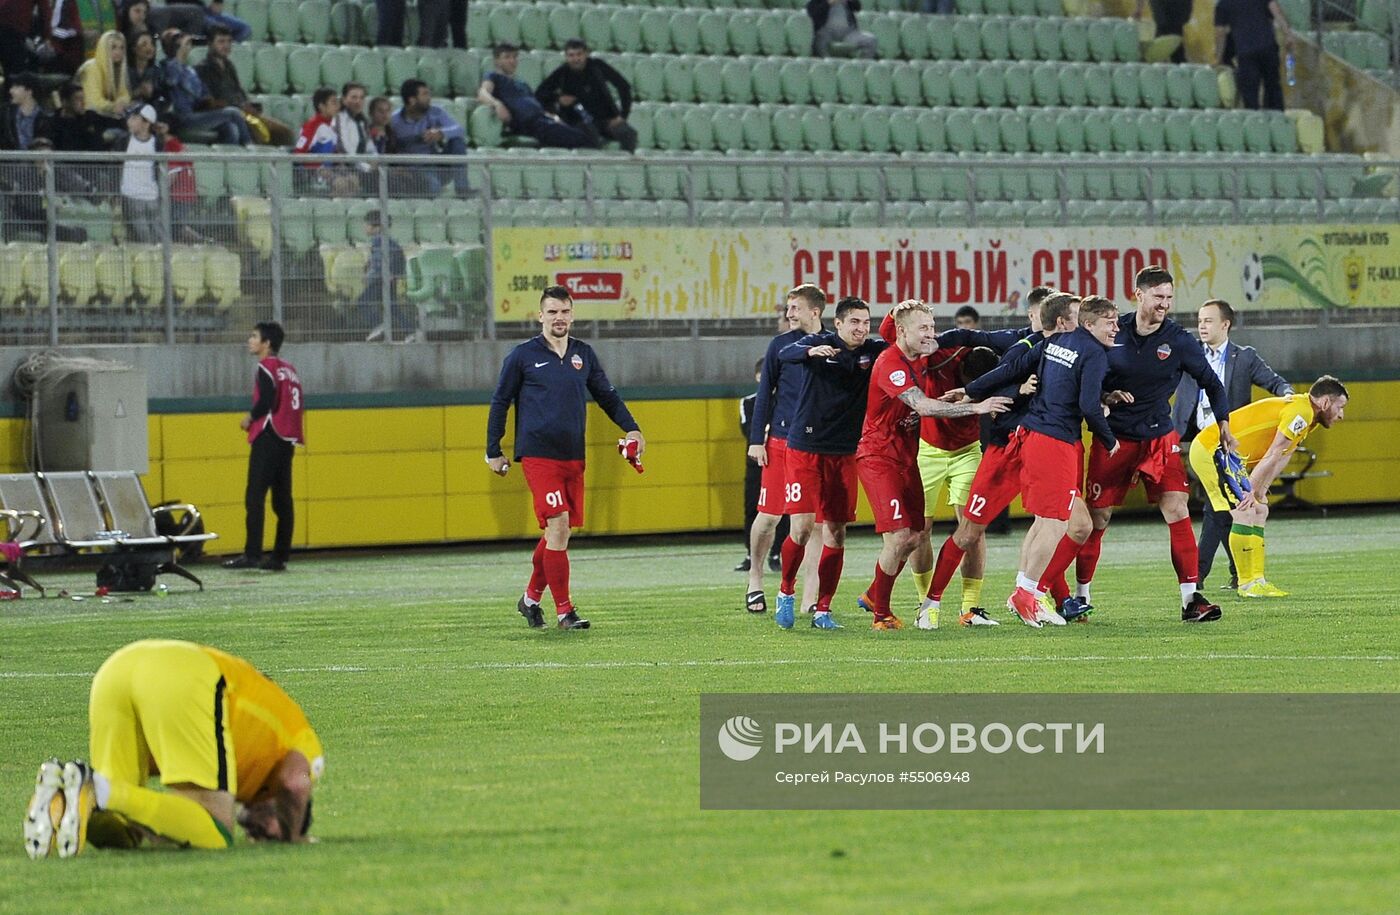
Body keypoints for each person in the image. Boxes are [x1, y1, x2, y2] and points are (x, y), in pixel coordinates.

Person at [23, 639, 323, 858]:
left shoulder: (252, 756)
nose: (259, 836)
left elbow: (173, 826)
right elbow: (295, 784)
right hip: (187, 676)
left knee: (124, 829)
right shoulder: (298, 738)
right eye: (270, 833)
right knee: (216, 832)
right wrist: (293, 836)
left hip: (116, 670)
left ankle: (61, 793)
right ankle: (97, 788)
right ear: (285, 808)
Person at [1080, 265, 1236, 624]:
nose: (1164, 304)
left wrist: (1224, 423)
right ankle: (1080, 596)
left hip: (1158, 438)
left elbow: (1212, 383)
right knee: (1097, 519)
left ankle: (1191, 599)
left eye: (1169, 297)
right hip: (1114, 438)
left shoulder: (1179, 341)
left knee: (1177, 510)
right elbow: (1086, 379)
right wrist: (1104, 396)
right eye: (1158, 297)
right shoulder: (1111, 331)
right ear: (1139, 294)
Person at [486, 286, 645, 631]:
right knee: (557, 526)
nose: (559, 318)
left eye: (565, 312)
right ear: (540, 316)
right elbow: (500, 402)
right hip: (538, 455)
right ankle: (564, 612)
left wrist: (633, 429)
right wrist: (493, 450)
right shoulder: (522, 356)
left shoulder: (582, 354)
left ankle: (530, 600)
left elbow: (608, 396)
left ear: (572, 315)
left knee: (557, 535)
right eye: (552, 312)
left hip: (573, 455)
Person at [957, 294, 1121, 629]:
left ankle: (1026, 591)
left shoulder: (1056, 341)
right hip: (1056, 441)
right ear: (1089, 323)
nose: (1117, 328)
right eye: (1110, 322)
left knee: (1047, 521)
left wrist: (971, 390)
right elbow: (1089, 407)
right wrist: (1109, 439)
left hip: (1032, 436)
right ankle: (1027, 593)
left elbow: (1012, 369)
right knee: (1056, 523)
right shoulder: (1092, 353)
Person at [920, 292, 1078, 628]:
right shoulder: (1021, 345)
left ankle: (1034, 595)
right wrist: (1001, 391)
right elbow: (998, 374)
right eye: (1037, 314)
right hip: (1005, 448)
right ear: (1036, 314)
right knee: (969, 531)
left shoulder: (1075, 351)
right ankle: (930, 603)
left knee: (1064, 524)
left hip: (1043, 448)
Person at [855, 301, 1011, 630]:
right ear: (902, 331)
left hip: (910, 455)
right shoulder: (892, 363)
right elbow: (923, 407)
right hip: (880, 456)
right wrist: (976, 407)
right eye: (923, 328)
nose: (931, 334)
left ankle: (876, 595)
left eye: (932, 327)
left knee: (914, 537)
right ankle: (882, 612)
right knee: (902, 538)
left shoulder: (923, 354)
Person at [772, 297, 886, 631]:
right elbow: (785, 354)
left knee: (836, 532)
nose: (861, 329)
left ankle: (823, 608)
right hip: (805, 448)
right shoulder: (819, 343)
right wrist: (809, 352)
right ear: (838, 324)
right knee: (803, 528)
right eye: (854, 322)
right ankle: (786, 592)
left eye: (866, 322)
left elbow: (899, 343)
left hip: (844, 452)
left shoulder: (873, 352)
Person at [1189, 376, 1347, 599]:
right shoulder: (1301, 411)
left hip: (1231, 457)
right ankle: (1246, 584)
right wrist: (1249, 490)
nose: (1341, 415)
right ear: (1325, 403)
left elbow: (1283, 455)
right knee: (1244, 509)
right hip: (1212, 450)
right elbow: (1274, 452)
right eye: (1340, 407)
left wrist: (1260, 490)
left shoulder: (1307, 417)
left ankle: (1258, 580)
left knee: (1260, 509)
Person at [1172, 298, 1292, 590]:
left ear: (1225, 324)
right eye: (1199, 320)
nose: (1201, 325)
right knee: (1222, 508)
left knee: (1219, 509)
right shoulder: (1188, 355)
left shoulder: (1245, 357)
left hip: (1228, 448)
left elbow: (1274, 382)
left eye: (1208, 320)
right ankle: (1235, 573)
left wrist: (1288, 396)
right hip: (1195, 442)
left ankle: (1198, 576)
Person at [744, 284, 826, 616]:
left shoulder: (833, 345)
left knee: (818, 524)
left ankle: (810, 597)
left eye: (794, 308)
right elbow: (765, 394)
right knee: (769, 517)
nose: (788, 314)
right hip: (781, 441)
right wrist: (756, 439)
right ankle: (755, 579)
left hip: (820, 445)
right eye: (788, 308)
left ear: (815, 312)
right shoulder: (779, 345)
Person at [223, 322, 304, 572]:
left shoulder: (266, 366)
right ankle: (280, 556)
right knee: (282, 501)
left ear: (266, 343)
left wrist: (250, 417)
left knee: (255, 497)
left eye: (254, 336)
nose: (250, 340)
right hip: (287, 439)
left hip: (269, 435)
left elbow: (267, 401)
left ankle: (252, 554)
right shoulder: (289, 369)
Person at [478, 43, 600, 150]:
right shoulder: (493, 76)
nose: (512, 61)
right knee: (586, 140)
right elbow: (483, 93)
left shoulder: (522, 83)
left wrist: (552, 117)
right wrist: (497, 104)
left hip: (543, 119)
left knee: (586, 130)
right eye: (507, 57)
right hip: (529, 124)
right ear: (496, 61)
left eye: (514, 57)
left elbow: (536, 105)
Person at [197, 24, 293, 146]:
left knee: (285, 133)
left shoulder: (229, 66)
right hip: (229, 114)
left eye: (229, 41)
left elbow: (238, 91)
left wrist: (248, 105)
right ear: (210, 44)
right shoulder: (202, 69)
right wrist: (239, 107)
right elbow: (208, 103)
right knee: (259, 132)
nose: (226, 46)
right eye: (221, 42)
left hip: (245, 112)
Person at [535, 40, 637, 153]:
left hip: (607, 119)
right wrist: (558, 99)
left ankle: (626, 168)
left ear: (586, 54)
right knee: (590, 136)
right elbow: (540, 93)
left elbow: (624, 86)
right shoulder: (562, 73)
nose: (576, 59)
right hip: (579, 119)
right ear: (566, 57)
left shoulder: (597, 66)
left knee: (628, 133)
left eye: (579, 54)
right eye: (571, 55)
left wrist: (622, 115)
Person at [159, 28, 250, 145]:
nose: (189, 47)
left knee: (229, 127)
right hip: (182, 118)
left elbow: (203, 93)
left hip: (196, 115)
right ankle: (249, 146)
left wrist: (212, 101)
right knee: (233, 113)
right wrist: (178, 57)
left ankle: (229, 160)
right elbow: (171, 81)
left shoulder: (190, 70)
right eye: (186, 44)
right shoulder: (167, 66)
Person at [738, 359, 786, 574]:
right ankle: (751, 553)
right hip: (757, 462)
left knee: (783, 510)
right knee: (752, 507)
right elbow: (749, 431)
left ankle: (776, 553)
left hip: (781, 460)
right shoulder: (749, 402)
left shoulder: (786, 401)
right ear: (758, 376)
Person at [390, 78, 470, 197]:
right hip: (415, 170)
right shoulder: (394, 121)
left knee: (457, 141)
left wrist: (441, 133)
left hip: (437, 164)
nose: (429, 98)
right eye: (425, 94)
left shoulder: (436, 111)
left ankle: (463, 189)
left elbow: (459, 129)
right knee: (434, 188)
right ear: (412, 100)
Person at [1214, 0, 1293, 111]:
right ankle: (1277, 122)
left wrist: (1219, 58)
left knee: (1250, 93)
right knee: (1273, 88)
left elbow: (1220, 32)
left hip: (1246, 52)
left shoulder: (1223, 4)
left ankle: (1254, 124)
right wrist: (1288, 34)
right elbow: (1276, 11)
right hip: (1268, 46)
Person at [357, 208, 412, 341]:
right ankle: (411, 332)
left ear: (376, 227)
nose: (365, 227)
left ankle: (377, 325)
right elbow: (399, 257)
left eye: (367, 224)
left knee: (363, 302)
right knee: (392, 306)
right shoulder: (390, 242)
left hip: (380, 280)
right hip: (390, 278)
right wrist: (396, 274)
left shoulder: (378, 241)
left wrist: (368, 276)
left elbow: (378, 264)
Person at [118, 103, 166, 244]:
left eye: (134, 118)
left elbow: (159, 169)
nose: (129, 122)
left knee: (158, 234)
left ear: (146, 123)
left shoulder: (156, 143)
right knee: (142, 235)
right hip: (131, 194)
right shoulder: (124, 140)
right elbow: (116, 166)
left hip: (151, 196)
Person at [52, 83, 121, 153]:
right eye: (78, 99)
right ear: (65, 102)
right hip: (66, 163)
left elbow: (117, 122)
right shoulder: (53, 123)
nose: (83, 103)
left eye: (83, 98)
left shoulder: (91, 117)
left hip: (98, 162)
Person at [76, 30, 131, 118]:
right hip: (86, 118)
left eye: (122, 48)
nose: (118, 52)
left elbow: (125, 94)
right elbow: (92, 102)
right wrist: (113, 106)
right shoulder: (91, 67)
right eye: (113, 47)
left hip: (106, 116)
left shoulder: (118, 68)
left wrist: (121, 103)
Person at [807, 0, 877, 58]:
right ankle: (827, 68)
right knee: (820, 41)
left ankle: (860, 69)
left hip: (848, 33)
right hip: (826, 32)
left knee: (870, 40)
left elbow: (858, 7)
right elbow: (812, 12)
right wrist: (829, 2)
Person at [0, 73, 52, 151]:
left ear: (29, 91)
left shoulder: (46, 118)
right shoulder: (4, 113)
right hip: (8, 162)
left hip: (35, 161)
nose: (11, 91)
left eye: (16, 87)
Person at [127, 30, 160, 105]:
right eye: (144, 44)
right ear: (134, 48)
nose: (150, 47)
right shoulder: (125, 71)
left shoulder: (156, 71)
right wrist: (139, 91)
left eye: (152, 44)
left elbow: (160, 96)